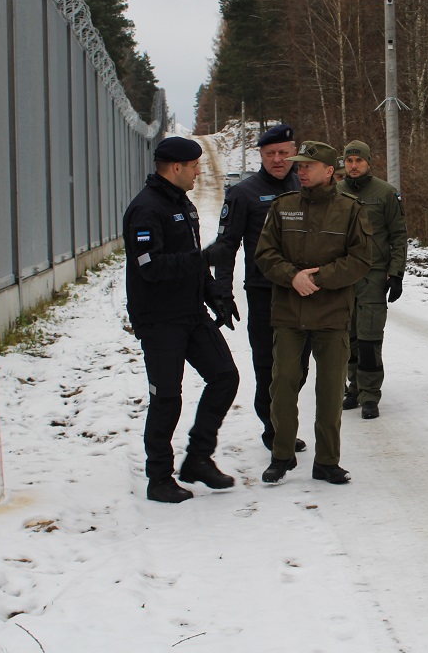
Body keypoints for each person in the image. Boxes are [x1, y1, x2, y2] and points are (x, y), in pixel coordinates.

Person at [122, 136, 240, 503]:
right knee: (167, 398)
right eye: (193, 167)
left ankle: (198, 459)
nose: (197, 172)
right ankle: (159, 478)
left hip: (191, 313)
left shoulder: (181, 205)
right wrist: (206, 259)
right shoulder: (146, 209)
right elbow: (151, 268)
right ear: (176, 168)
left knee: (224, 377)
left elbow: (187, 258)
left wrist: (215, 295)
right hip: (159, 319)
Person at [255, 141, 371, 485]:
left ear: (328, 170)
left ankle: (327, 461)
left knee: (331, 389)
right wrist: (292, 276)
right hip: (289, 313)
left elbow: (361, 259)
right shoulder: (283, 206)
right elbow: (265, 253)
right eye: (299, 166)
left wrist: (317, 278)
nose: (300, 171)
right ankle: (282, 455)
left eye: (307, 166)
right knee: (284, 385)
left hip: (332, 313)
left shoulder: (350, 209)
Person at [211, 124, 309, 453]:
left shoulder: (304, 184)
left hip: (302, 292)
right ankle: (273, 428)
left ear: (294, 152)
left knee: (298, 365)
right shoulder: (244, 193)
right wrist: (222, 293)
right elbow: (226, 246)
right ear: (261, 156)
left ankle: (282, 420)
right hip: (263, 291)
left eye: (284, 153)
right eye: (270, 154)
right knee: (268, 363)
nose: (278, 160)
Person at [338, 140, 408, 419]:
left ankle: (370, 394)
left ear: (369, 162)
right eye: (349, 161)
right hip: (342, 276)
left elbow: (399, 236)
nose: (354, 166)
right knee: (347, 338)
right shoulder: (335, 192)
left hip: (374, 275)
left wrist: (397, 272)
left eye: (359, 161)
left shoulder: (386, 193)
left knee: (368, 339)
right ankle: (352, 387)